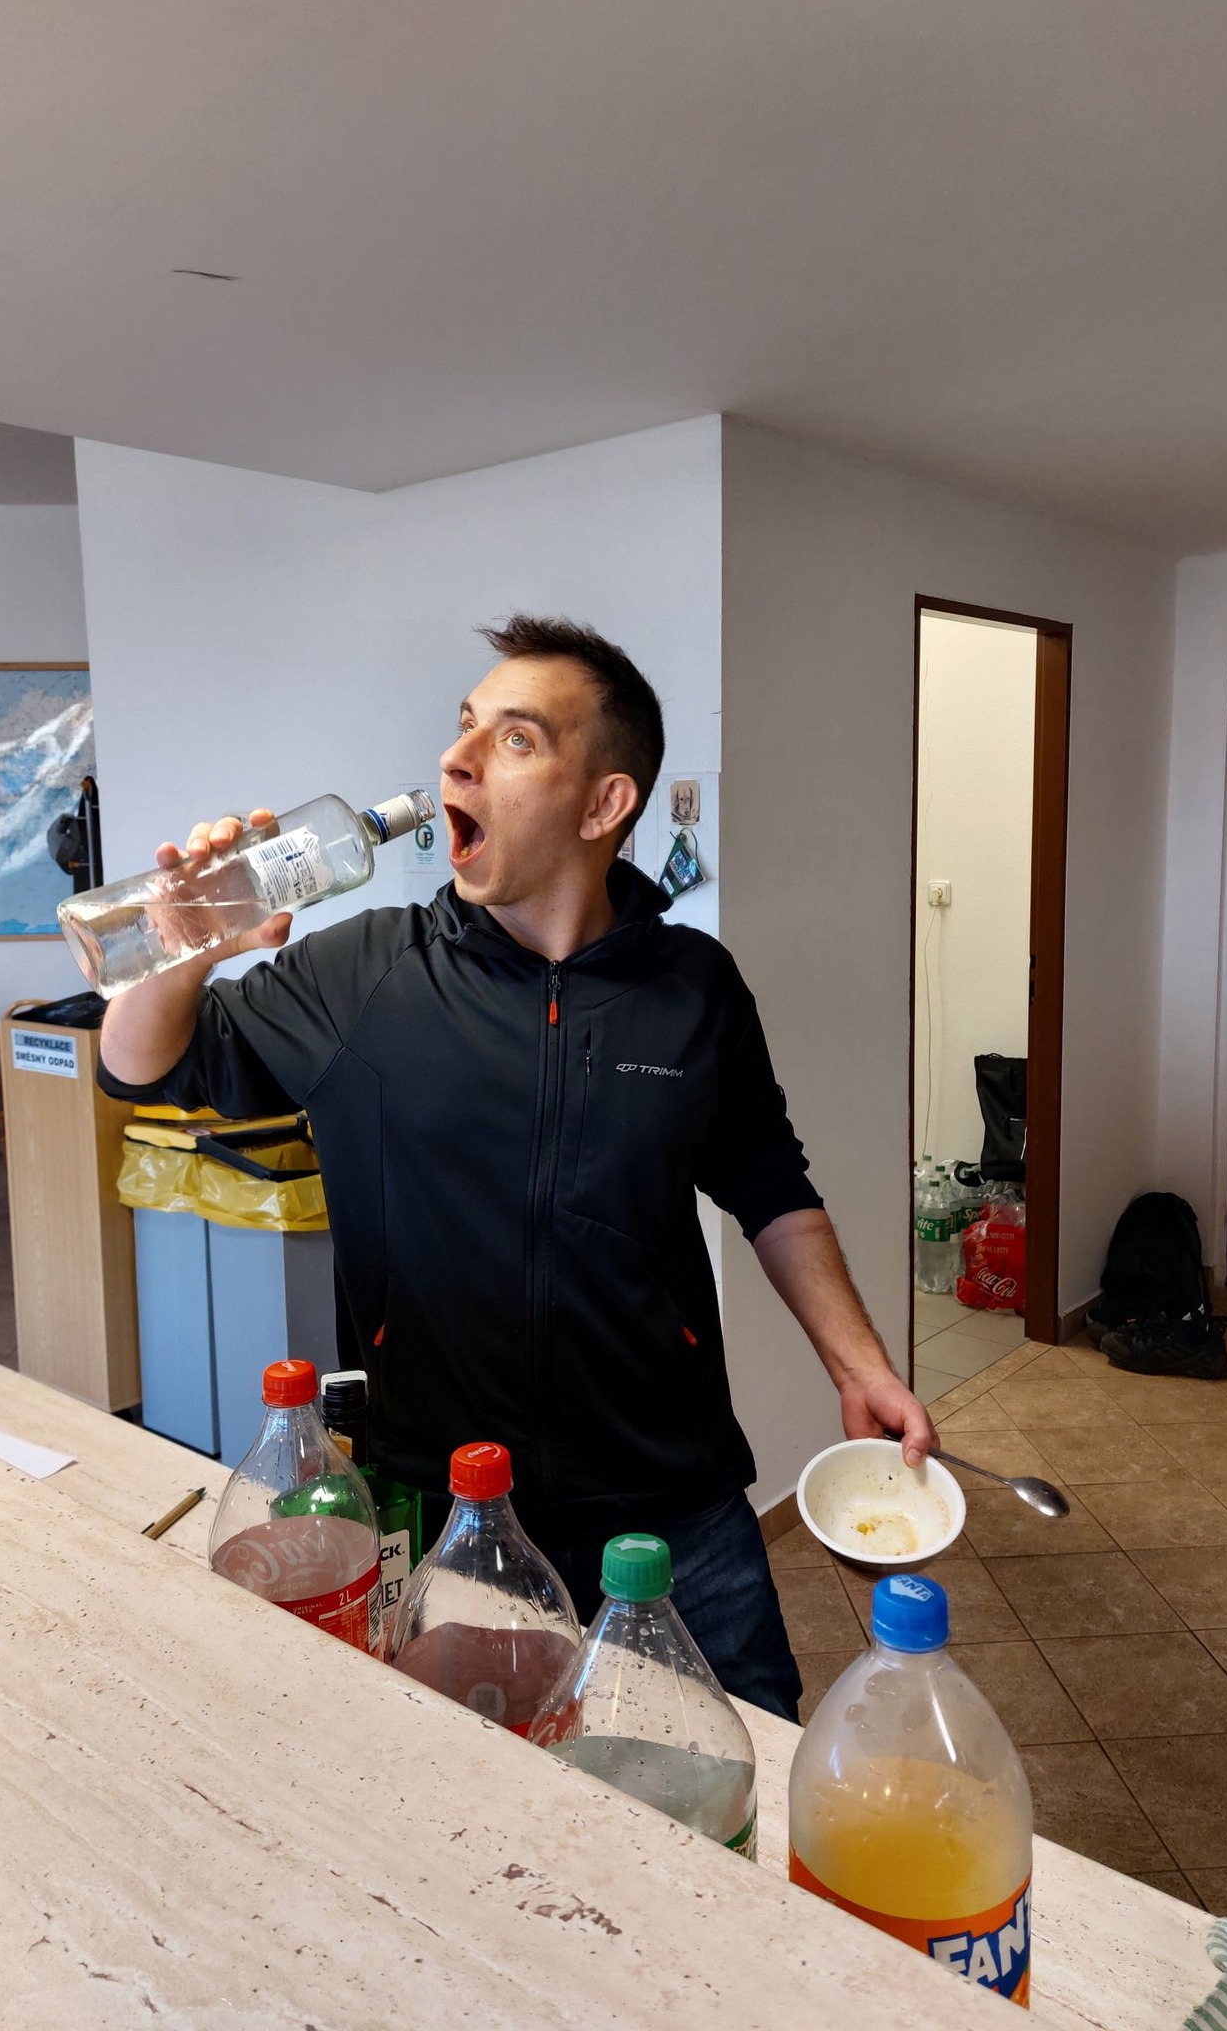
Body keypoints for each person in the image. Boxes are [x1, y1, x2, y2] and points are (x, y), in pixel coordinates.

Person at [98, 615, 934, 1720]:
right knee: (476, 1788)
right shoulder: (366, 975)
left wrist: (859, 1366)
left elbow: (773, 1189)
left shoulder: (695, 988)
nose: (458, 759)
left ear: (603, 804)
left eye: (517, 738)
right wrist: (184, 946)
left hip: (672, 1505)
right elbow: (144, 1065)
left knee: (740, 1768)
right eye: (465, 728)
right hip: (453, 1511)